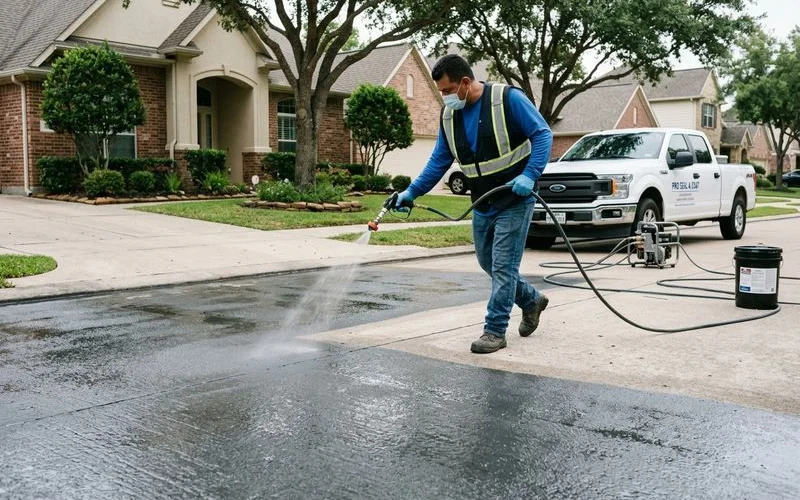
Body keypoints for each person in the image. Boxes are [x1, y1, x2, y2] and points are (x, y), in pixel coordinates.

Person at [396, 54, 553, 354]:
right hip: (482, 202)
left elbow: (543, 134)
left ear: (466, 83)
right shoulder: (449, 117)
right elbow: (439, 160)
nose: (444, 98)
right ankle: (531, 300)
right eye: (441, 91)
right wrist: (411, 192)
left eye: (447, 90)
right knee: (487, 262)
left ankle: (495, 330)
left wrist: (530, 175)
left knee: (504, 266)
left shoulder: (507, 99)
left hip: (515, 197)